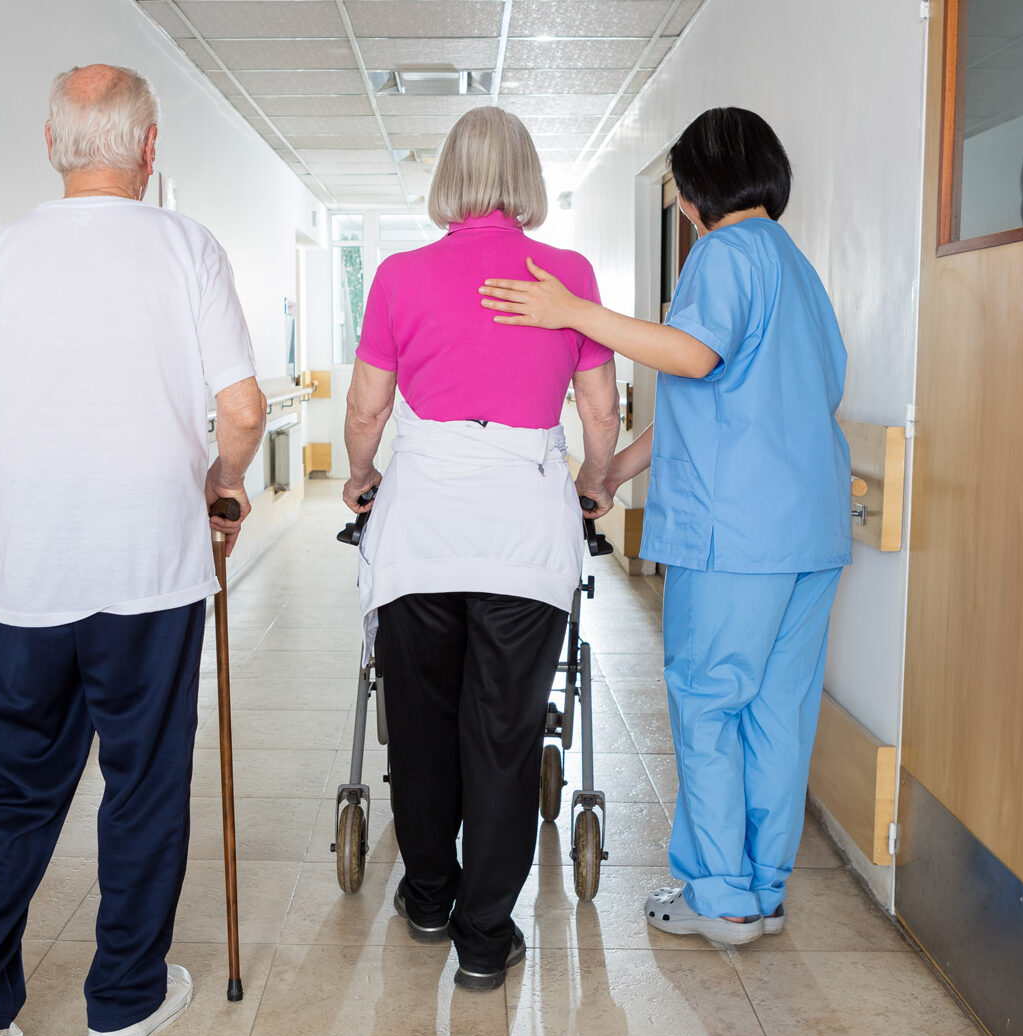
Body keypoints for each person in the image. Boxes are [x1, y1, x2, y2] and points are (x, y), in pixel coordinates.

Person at [0, 64, 266, 1036]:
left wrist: (7, 536)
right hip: (152, 574)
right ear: (151, 147)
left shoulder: (1, 255)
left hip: (31, 584)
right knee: (144, 782)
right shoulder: (185, 247)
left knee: (7, 793)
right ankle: (122, 1007)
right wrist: (221, 482)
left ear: (50, 146)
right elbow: (240, 409)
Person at [480, 106, 851, 946]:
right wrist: (614, 469)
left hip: (737, 537)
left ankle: (720, 897)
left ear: (699, 190)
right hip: (810, 531)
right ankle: (762, 886)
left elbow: (690, 358)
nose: (683, 205)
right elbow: (715, 398)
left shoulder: (723, 254)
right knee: (778, 715)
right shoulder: (797, 270)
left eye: (682, 190)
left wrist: (571, 311)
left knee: (710, 703)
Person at [342, 105, 620, 991]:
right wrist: (596, 481)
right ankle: (484, 938)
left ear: (448, 179)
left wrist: (358, 475)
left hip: (421, 522)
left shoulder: (399, 274)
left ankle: (427, 898)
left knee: (419, 726)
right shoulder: (568, 273)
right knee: (503, 730)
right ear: (528, 179)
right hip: (524, 526)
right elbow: (600, 412)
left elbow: (366, 409)